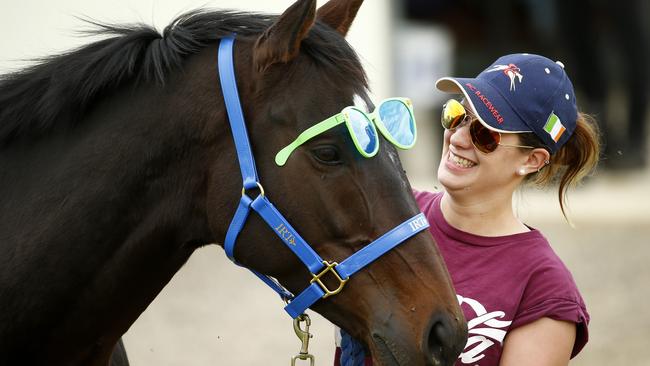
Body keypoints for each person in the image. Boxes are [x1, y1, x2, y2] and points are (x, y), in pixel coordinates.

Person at [335, 53, 600, 365]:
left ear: (532, 160)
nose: (458, 138)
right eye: (458, 114)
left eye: (485, 134)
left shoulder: (545, 288)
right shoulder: (389, 214)